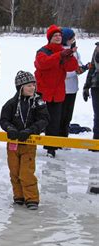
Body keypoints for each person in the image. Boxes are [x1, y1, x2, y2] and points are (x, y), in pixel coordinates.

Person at [0, 71, 49, 210]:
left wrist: (31, 130)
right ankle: (19, 196)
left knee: (26, 173)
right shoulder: (11, 103)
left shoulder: (38, 103)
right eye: (28, 85)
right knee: (14, 172)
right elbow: (3, 120)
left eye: (33, 84)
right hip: (13, 143)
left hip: (28, 144)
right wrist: (10, 129)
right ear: (20, 87)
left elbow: (44, 120)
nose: (32, 88)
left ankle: (32, 198)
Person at [34, 25, 78, 158]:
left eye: (59, 35)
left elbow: (72, 67)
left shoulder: (64, 52)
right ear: (50, 38)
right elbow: (43, 64)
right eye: (55, 36)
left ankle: (51, 148)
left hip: (58, 92)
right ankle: (30, 143)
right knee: (38, 119)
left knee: (54, 121)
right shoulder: (43, 51)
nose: (58, 37)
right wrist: (60, 55)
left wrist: (70, 55)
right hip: (43, 91)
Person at [60, 27, 87, 139]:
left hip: (72, 89)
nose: (73, 39)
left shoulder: (75, 52)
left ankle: (64, 137)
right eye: (71, 38)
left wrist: (84, 68)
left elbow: (78, 68)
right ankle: (56, 139)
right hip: (61, 88)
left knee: (67, 116)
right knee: (59, 116)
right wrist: (74, 71)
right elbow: (64, 71)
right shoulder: (59, 51)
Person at [83, 42, 99, 148]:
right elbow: (92, 67)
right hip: (96, 85)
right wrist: (86, 86)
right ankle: (96, 141)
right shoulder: (97, 48)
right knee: (98, 115)